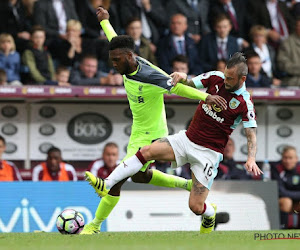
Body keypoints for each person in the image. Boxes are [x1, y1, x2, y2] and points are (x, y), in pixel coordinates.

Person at [81, 7, 227, 234]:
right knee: (139, 176)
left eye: (117, 60)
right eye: (112, 60)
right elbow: (114, 39)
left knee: (120, 180)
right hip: (139, 130)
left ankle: (94, 224)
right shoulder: (125, 57)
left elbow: (178, 87)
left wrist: (206, 96)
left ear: (130, 57)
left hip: (153, 132)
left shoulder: (150, 76)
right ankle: (190, 188)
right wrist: (105, 21)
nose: (114, 64)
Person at [271, 146, 300, 229]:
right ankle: (283, 229)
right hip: (281, 201)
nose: (287, 161)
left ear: (296, 159)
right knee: (286, 202)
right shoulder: (276, 168)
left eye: (290, 158)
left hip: (297, 203)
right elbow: (281, 191)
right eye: (285, 158)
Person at [277, 17, 300, 86]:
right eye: (299, 26)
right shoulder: (286, 43)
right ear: (295, 27)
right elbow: (282, 64)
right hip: (293, 80)